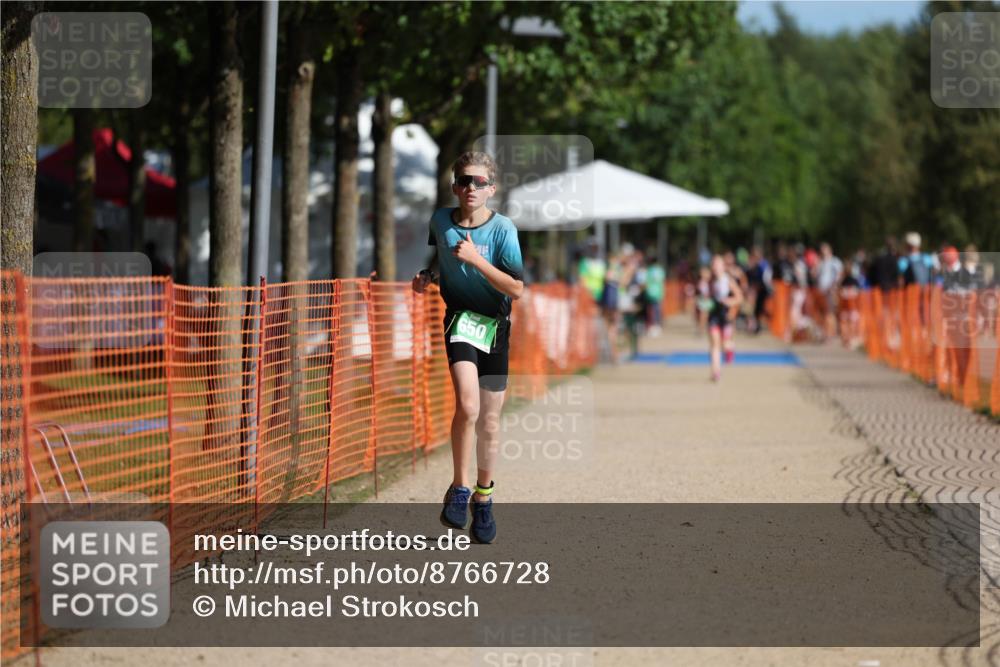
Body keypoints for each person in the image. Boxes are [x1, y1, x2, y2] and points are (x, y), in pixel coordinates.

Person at [412, 151, 524, 545]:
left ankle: (484, 495)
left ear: (491, 189)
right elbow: (441, 255)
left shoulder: (503, 230)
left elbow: (516, 288)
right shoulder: (440, 220)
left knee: (490, 422)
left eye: (479, 182)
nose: (471, 188)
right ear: (454, 186)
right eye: (464, 180)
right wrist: (429, 276)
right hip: (460, 322)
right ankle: (459, 488)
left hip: (495, 327)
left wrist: (477, 260)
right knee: (468, 405)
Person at [707, 254, 744, 382]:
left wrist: (729, 301)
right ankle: (716, 372)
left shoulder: (728, 280)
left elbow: (739, 297)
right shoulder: (711, 281)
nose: (715, 267)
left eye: (718, 264)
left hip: (726, 315)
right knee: (714, 343)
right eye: (714, 264)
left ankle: (730, 349)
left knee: (725, 344)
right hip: (714, 315)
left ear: (723, 266)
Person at [816, 242, 844, 341]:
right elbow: (817, 275)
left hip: (830, 290)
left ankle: (831, 333)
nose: (823, 252)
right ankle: (827, 332)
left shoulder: (834, 262)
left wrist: (834, 287)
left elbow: (839, 275)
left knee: (830, 312)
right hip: (822, 290)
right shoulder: (821, 262)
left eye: (824, 250)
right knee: (824, 312)